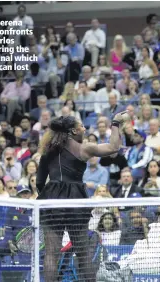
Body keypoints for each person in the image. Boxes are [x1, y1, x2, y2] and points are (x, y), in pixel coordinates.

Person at [36, 112, 125, 282]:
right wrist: (115, 123)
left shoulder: (48, 150)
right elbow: (114, 147)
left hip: (52, 201)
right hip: (75, 201)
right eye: (81, 126)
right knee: (83, 252)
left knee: (51, 254)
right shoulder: (84, 148)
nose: (84, 129)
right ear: (74, 131)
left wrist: (48, 198)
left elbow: (40, 182)